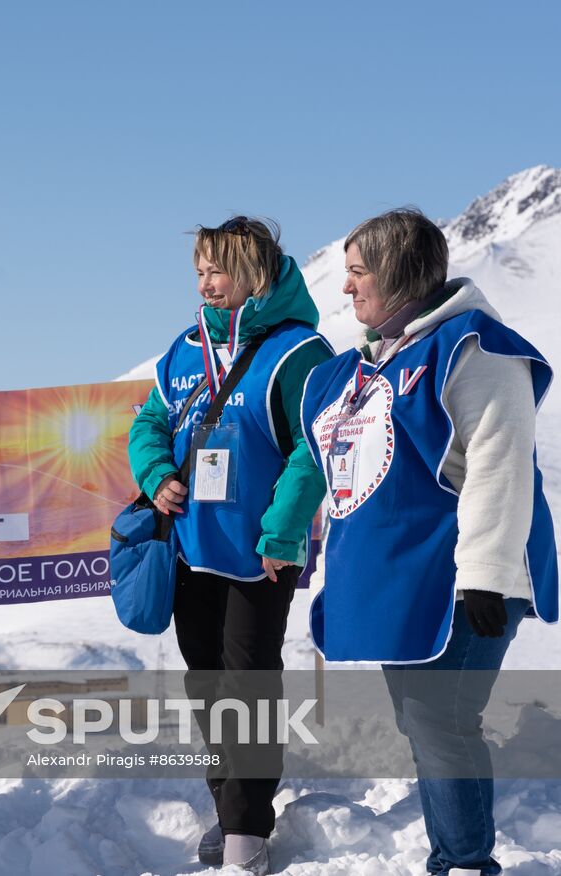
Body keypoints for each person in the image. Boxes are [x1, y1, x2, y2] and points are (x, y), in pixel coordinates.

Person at [299, 208, 557, 875]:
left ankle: (465, 862)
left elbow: (501, 464)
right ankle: (457, 856)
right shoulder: (372, 365)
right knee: (425, 721)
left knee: (443, 722)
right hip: (407, 584)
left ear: (398, 274)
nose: (346, 288)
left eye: (358, 273)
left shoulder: (474, 346)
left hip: (467, 582)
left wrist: (486, 576)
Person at [125, 217, 333, 874]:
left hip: (260, 555)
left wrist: (282, 531)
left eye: (216, 270)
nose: (205, 284)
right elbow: (148, 426)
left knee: (249, 684)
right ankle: (225, 807)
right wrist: (156, 475)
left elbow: (315, 448)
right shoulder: (182, 352)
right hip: (191, 549)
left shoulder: (299, 352)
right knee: (207, 684)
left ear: (252, 274)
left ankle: (247, 829)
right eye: (199, 272)